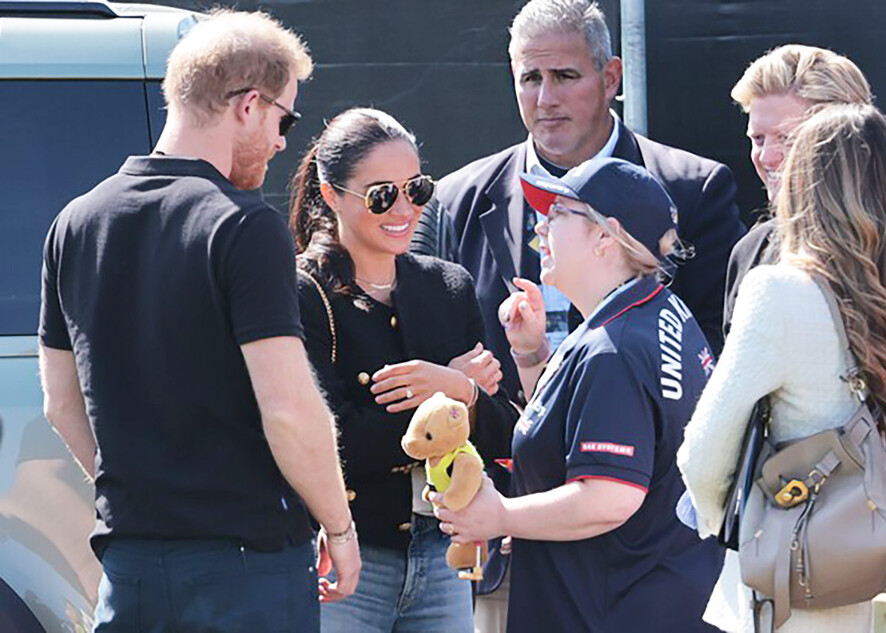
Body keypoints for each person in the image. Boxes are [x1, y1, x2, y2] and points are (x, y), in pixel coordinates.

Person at [38, 11, 360, 632]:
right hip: (245, 570)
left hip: (130, 564)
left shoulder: (73, 223)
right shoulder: (243, 224)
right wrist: (339, 526)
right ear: (248, 104)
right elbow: (290, 409)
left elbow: (61, 401)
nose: (282, 142)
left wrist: (140, 498)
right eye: (284, 119)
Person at [678, 104, 886, 632]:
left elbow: (703, 456)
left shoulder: (779, 293)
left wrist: (738, 527)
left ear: (803, 188)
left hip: (806, 585)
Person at [433, 157, 724, 633]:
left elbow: (608, 499)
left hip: (610, 610)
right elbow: (582, 435)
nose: (540, 227)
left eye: (560, 212)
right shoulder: (653, 311)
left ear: (605, 237)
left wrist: (500, 514)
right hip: (654, 600)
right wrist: (532, 358)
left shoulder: (616, 346)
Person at [413, 0, 745, 402]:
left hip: (650, 454)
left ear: (611, 78)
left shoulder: (693, 189)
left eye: (565, 76)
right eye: (531, 78)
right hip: (501, 457)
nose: (546, 98)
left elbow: (722, 343)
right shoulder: (456, 199)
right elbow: (434, 343)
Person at [288, 107, 519, 633]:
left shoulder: (448, 286)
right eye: (380, 194)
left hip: (443, 556)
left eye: (416, 189)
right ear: (330, 195)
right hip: (346, 557)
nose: (403, 209)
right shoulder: (302, 291)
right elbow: (331, 442)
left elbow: (504, 428)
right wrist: (445, 400)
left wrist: (458, 388)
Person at [722, 44, 872, 336]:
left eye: (787, 138)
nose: (767, 157)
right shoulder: (751, 251)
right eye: (758, 139)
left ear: (844, 137)